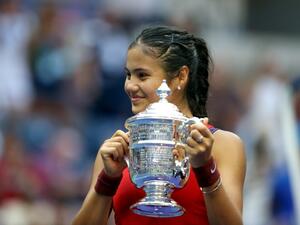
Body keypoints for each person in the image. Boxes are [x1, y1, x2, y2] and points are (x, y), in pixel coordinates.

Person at [72, 26, 246, 225]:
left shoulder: (223, 145)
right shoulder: (116, 151)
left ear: (181, 77)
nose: (129, 85)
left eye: (142, 75)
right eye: (128, 75)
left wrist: (205, 168)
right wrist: (108, 180)